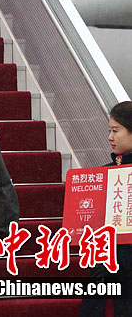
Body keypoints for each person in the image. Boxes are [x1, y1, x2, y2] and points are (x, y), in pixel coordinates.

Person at [79, 101, 132, 317]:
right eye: (109, 130)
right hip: (106, 260)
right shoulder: (105, 174)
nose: (110, 137)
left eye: (116, 130)